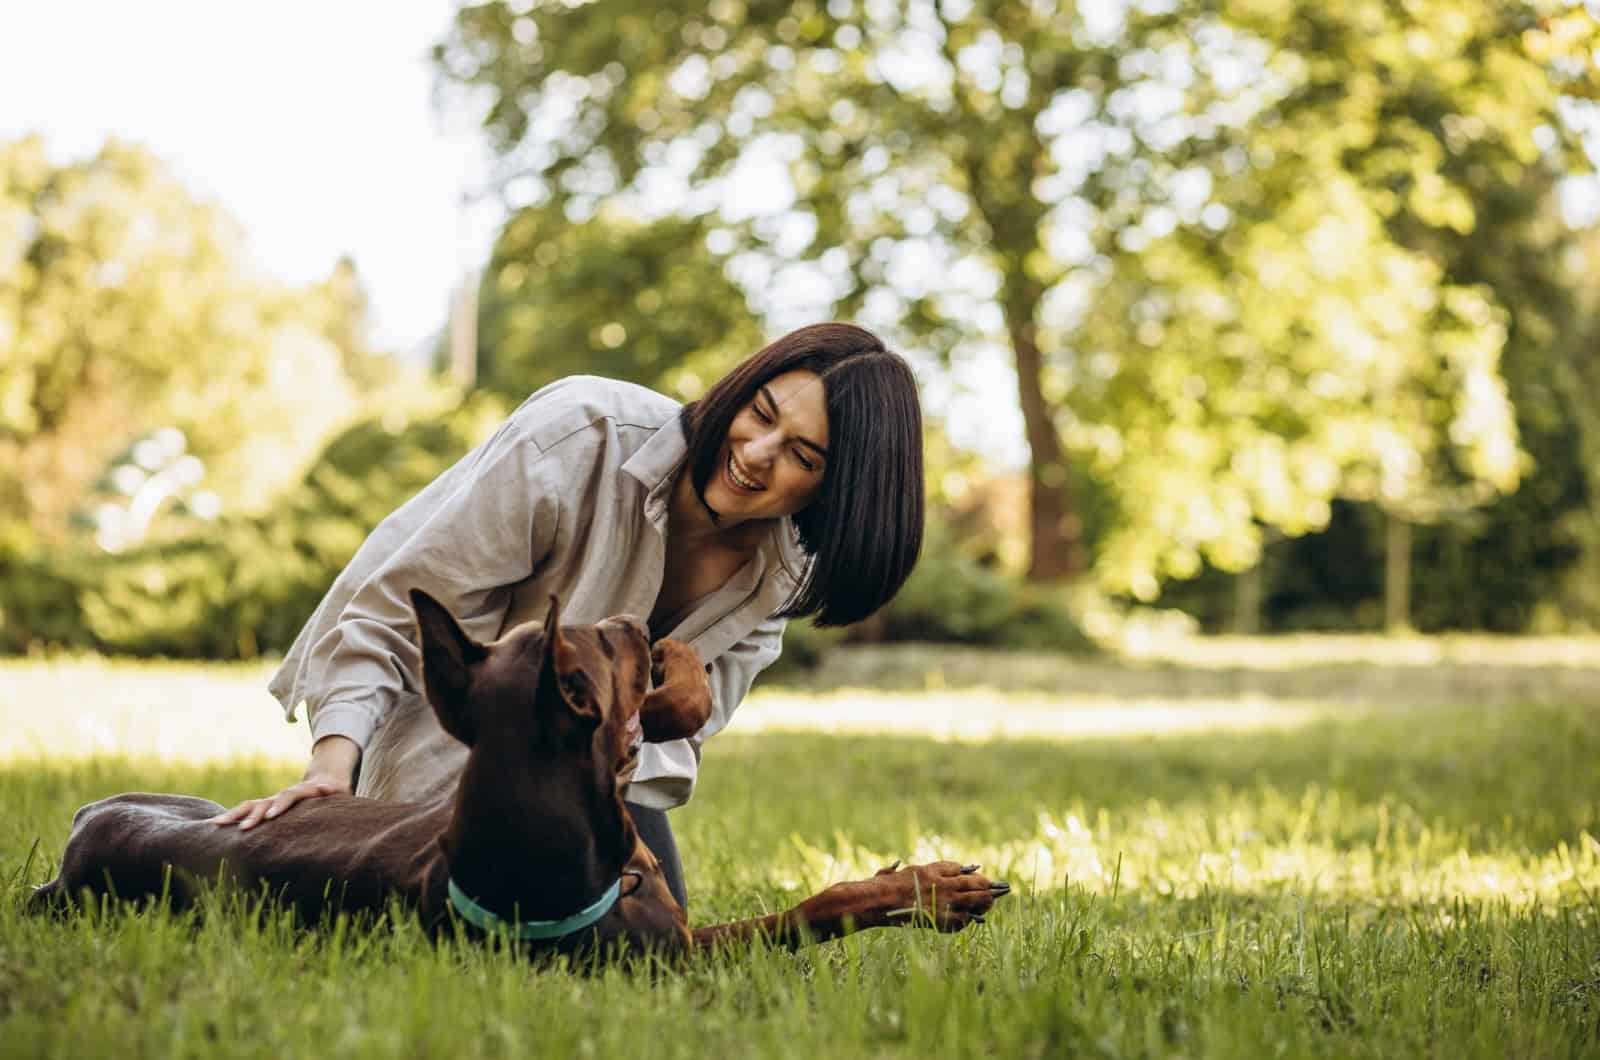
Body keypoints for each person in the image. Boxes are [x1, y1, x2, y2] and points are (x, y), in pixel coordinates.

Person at [211, 322, 925, 908]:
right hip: (456, 758)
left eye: (801, 455)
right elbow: (396, 613)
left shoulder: (780, 574)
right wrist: (333, 770)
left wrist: (673, 717)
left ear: (837, 491)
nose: (756, 453)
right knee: (473, 919)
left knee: (647, 941)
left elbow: (676, 740)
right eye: (761, 413)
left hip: (592, 789)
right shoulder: (580, 437)